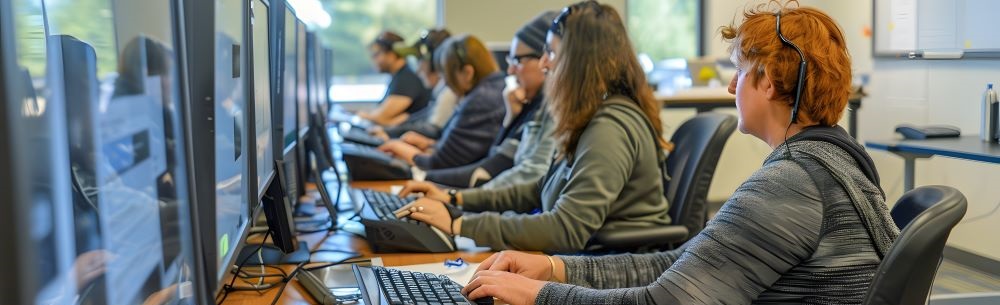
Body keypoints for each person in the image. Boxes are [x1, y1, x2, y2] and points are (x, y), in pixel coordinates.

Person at [459, 1, 900, 304]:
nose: (730, 86)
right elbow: (684, 263)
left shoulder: (791, 184)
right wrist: (555, 269)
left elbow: (667, 300)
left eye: (740, 71)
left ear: (767, 82)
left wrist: (540, 295)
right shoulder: (835, 163)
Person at [392, 1, 671, 253]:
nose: (544, 62)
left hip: (607, 269)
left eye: (551, 52)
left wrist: (459, 224)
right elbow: (537, 189)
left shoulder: (609, 128)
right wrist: (455, 198)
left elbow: (565, 228)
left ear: (579, 62)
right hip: (581, 257)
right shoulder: (591, 117)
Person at [420, 11, 560, 188]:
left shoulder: (549, 109)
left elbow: (494, 171)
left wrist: (427, 181)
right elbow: (497, 162)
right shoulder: (532, 105)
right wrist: (511, 117)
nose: (510, 71)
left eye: (517, 60)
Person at [378, 35, 507, 171]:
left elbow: (440, 164)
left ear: (467, 73)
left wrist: (398, 147)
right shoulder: (488, 91)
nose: (445, 83)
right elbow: (464, 150)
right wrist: (430, 144)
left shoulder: (480, 100)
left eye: (447, 75)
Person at [373, 28, 459, 140]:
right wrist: (389, 131)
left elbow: (432, 129)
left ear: (435, 62)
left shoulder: (449, 93)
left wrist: (390, 133)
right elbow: (424, 116)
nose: (418, 69)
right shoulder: (441, 91)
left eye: (420, 60)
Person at [356, 31, 431, 127]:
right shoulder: (398, 77)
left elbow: (380, 118)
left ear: (391, 54)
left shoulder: (406, 79)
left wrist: (361, 115)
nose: (373, 60)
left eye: (376, 55)